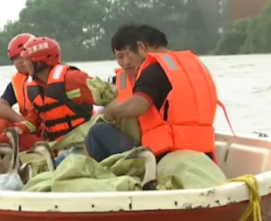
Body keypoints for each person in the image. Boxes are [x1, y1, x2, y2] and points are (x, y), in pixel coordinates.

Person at [89, 24, 219, 163]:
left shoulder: (152, 69)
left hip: (165, 156)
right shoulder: (195, 66)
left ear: (141, 47)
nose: (126, 63)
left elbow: (136, 107)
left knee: (97, 132)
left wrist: (111, 112)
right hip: (206, 153)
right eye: (120, 57)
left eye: (129, 54)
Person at [0, 37, 96, 143]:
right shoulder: (34, 87)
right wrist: (19, 128)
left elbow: (109, 96)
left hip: (81, 141)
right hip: (56, 144)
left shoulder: (73, 78)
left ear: (39, 62)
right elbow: (34, 119)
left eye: (27, 60)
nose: (24, 64)